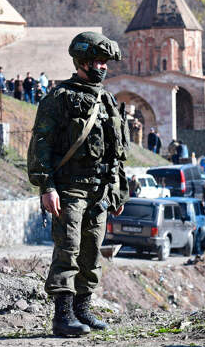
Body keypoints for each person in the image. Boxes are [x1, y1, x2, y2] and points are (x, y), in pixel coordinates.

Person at [28, 31, 128, 336]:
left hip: (99, 191)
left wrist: (118, 191)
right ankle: (62, 316)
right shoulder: (59, 98)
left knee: (91, 252)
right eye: (97, 61)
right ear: (82, 62)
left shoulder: (107, 100)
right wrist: (47, 187)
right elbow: (40, 144)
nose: (102, 67)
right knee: (68, 249)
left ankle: (83, 311)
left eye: (105, 62)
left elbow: (117, 151)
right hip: (69, 188)